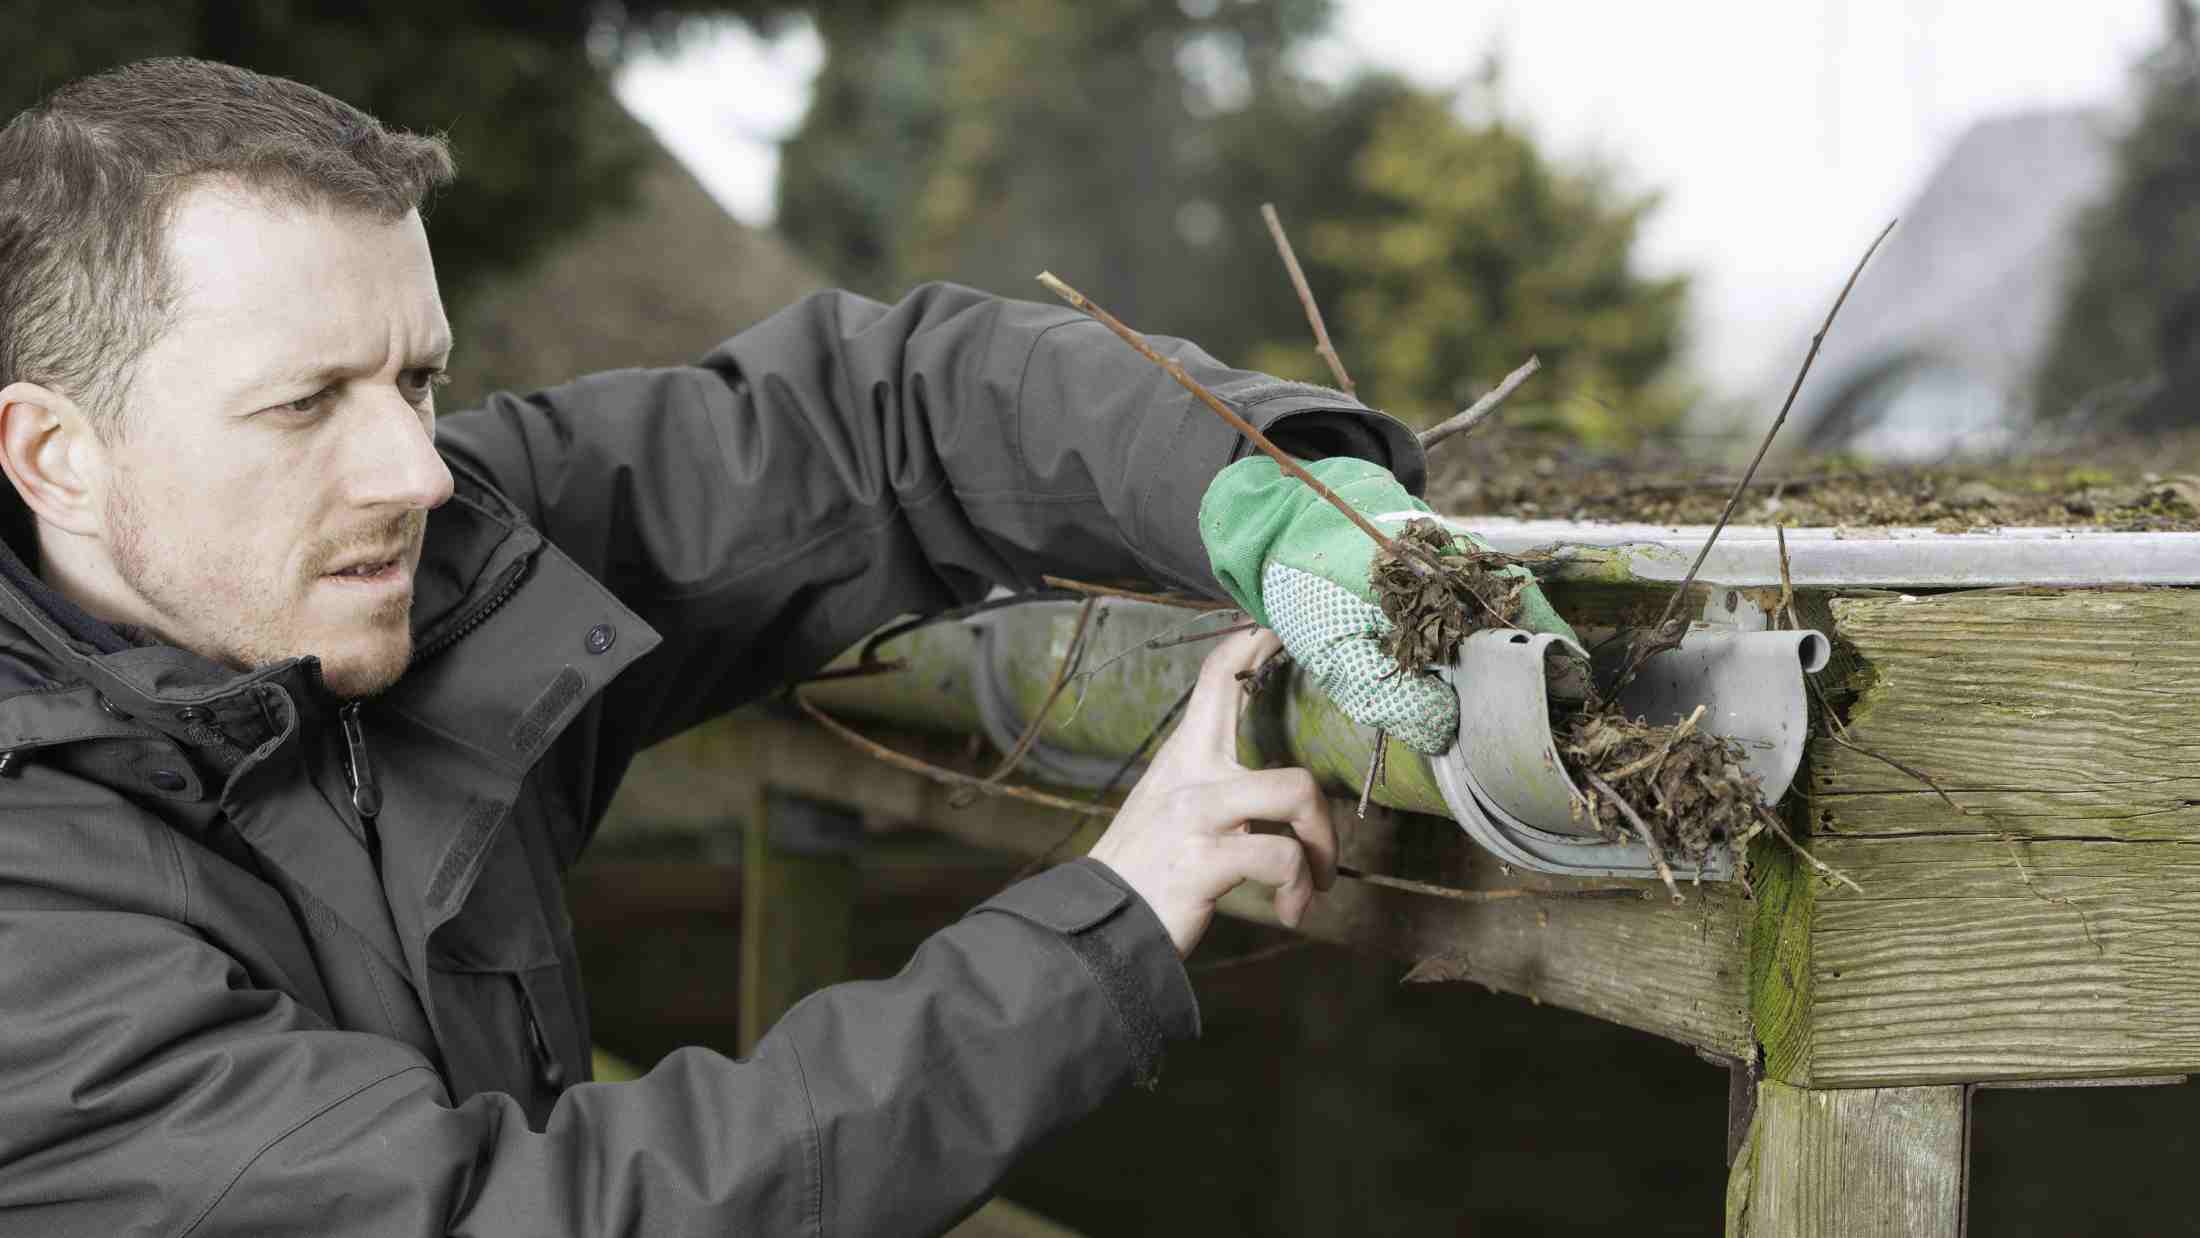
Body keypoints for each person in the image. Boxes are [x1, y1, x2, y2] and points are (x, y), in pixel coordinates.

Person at [0, 58, 1565, 1236]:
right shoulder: (30, 916)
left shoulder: (417, 553)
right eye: (302, 404)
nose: (415, 469)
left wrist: (1273, 494)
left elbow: (878, 417)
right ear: (54, 453)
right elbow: (504, 1216)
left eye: (416, 381)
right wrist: (1105, 921)